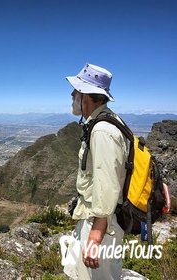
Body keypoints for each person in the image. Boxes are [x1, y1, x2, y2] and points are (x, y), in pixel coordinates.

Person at [65, 63, 127, 280]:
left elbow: (107, 184)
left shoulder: (102, 131)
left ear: (88, 96)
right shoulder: (107, 121)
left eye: (77, 90)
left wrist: (95, 235)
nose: (72, 94)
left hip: (102, 222)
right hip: (102, 219)